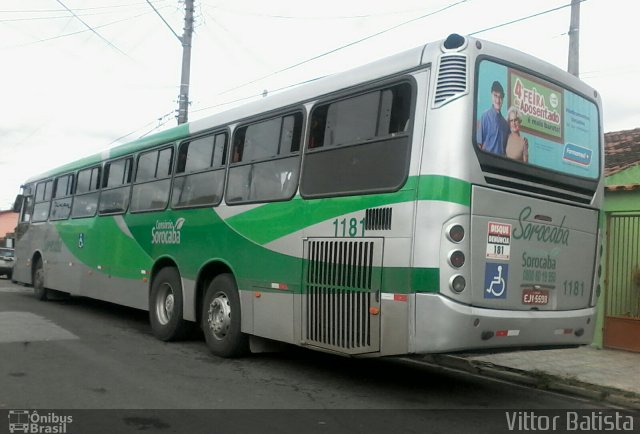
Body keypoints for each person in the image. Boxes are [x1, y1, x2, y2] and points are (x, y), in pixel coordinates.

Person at [477, 81, 510, 155]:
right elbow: (479, 144)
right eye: (495, 96)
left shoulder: (505, 125)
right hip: (487, 160)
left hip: (500, 163)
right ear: (491, 95)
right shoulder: (485, 117)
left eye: (500, 97)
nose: (498, 100)